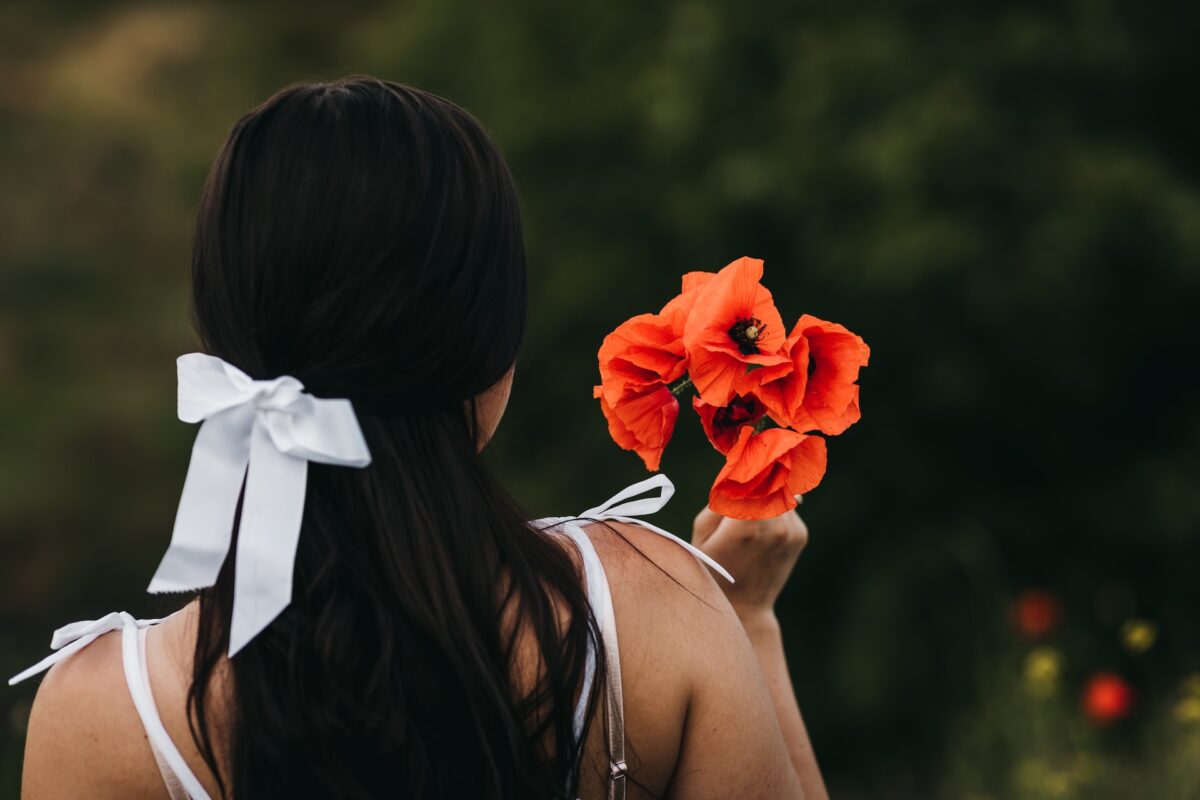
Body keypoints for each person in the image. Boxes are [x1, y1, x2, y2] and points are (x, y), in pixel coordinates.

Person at [11, 76, 828, 800]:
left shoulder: (104, 716)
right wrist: (749, 620)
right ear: (494, 349)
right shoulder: (656, 611)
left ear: (221, 342)